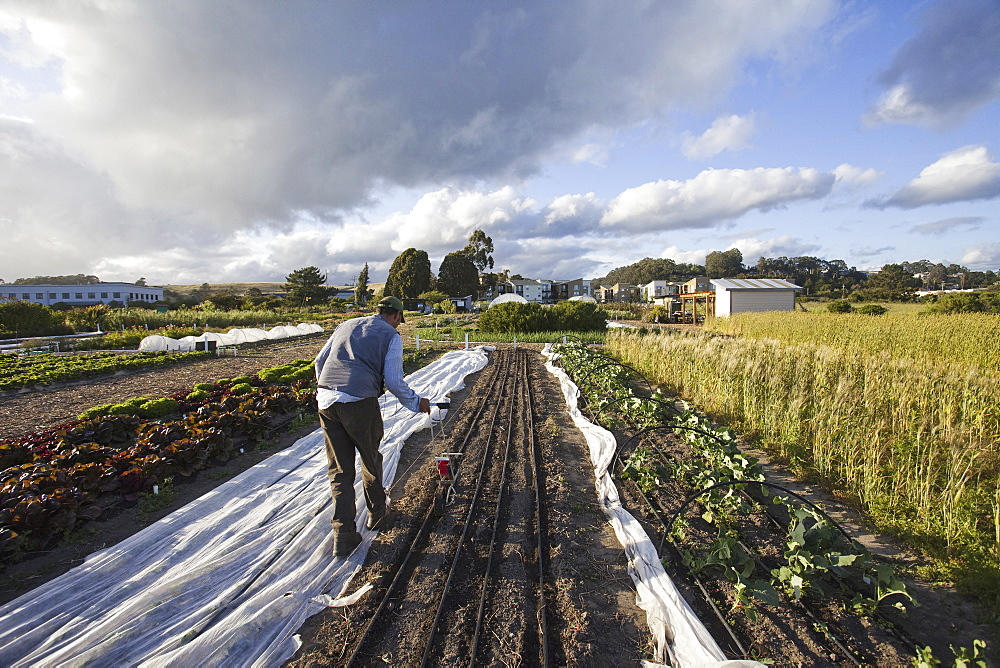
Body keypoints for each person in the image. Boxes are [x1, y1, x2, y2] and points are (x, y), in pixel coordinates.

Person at [314, 295, 431, 556]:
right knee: (369, 458)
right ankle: (377, 514)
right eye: (399, 320)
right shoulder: (390, 335)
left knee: (340, 470)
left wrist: (328, 389)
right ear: (397, 316)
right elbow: (392, 380)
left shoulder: (346, 325)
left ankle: (343, 536)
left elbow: (320, 363)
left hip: (326, 401)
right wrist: (416, 402)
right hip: (358, 402)